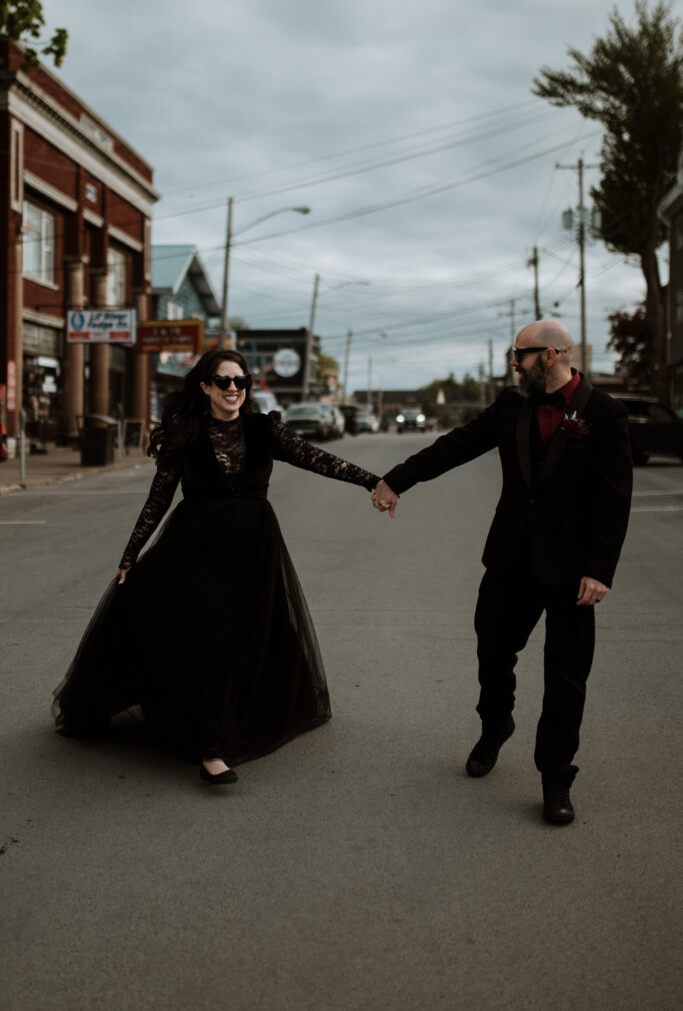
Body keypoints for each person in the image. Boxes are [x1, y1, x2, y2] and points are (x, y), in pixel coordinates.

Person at [53, 349, 379, 786]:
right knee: (210, 636)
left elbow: (318, 458)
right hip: (195, 549)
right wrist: (130, 556)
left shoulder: (264, 429)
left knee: (241, 637)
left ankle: (219, 737)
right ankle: (212, 749)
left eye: (240, 381)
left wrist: (374, 481)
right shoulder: (186, 436)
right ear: (205, 386)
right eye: (223, 381)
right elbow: (158, 498)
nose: (233, 389)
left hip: (253, 550)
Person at [371, 320, 632, 825]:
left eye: (521, 354)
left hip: (573, 571)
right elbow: (455, 445)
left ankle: (556, 777)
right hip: (511, 558)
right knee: (492, 651)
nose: (514, 363)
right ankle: (496, 725)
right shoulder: (512, 406)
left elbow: (615, 498)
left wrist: (601, 570)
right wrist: (396, 480)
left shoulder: (605, 413)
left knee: (566, 677)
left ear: (550, 355)